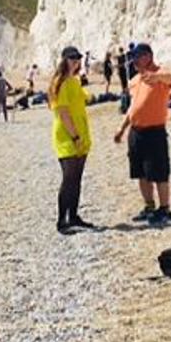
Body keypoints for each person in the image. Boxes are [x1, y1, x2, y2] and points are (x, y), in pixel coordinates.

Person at [114, 43, 171, 226]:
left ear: (148, 56)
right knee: (141, 172)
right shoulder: (134, 80)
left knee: (159, 172)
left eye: (138, 56)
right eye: (133, 57)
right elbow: (133, 107)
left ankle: (165, 209)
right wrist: (122, 128)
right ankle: (149, 206)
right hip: (136, 131)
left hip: (154, 130)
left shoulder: (160, 74)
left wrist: (156, 77)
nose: (134, 60)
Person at [49, 46, 94, 234]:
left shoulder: (74, 81)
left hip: (81, 135)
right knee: (68, 179)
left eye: (78, 58)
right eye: (72, 58)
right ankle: (62, 221)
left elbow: (86, 98)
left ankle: (73, 216)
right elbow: (63, 113)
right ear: (64, 60)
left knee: (76, 179)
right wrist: (74, 136)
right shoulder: (59, 83)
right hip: (67, 137)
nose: (76, 61)